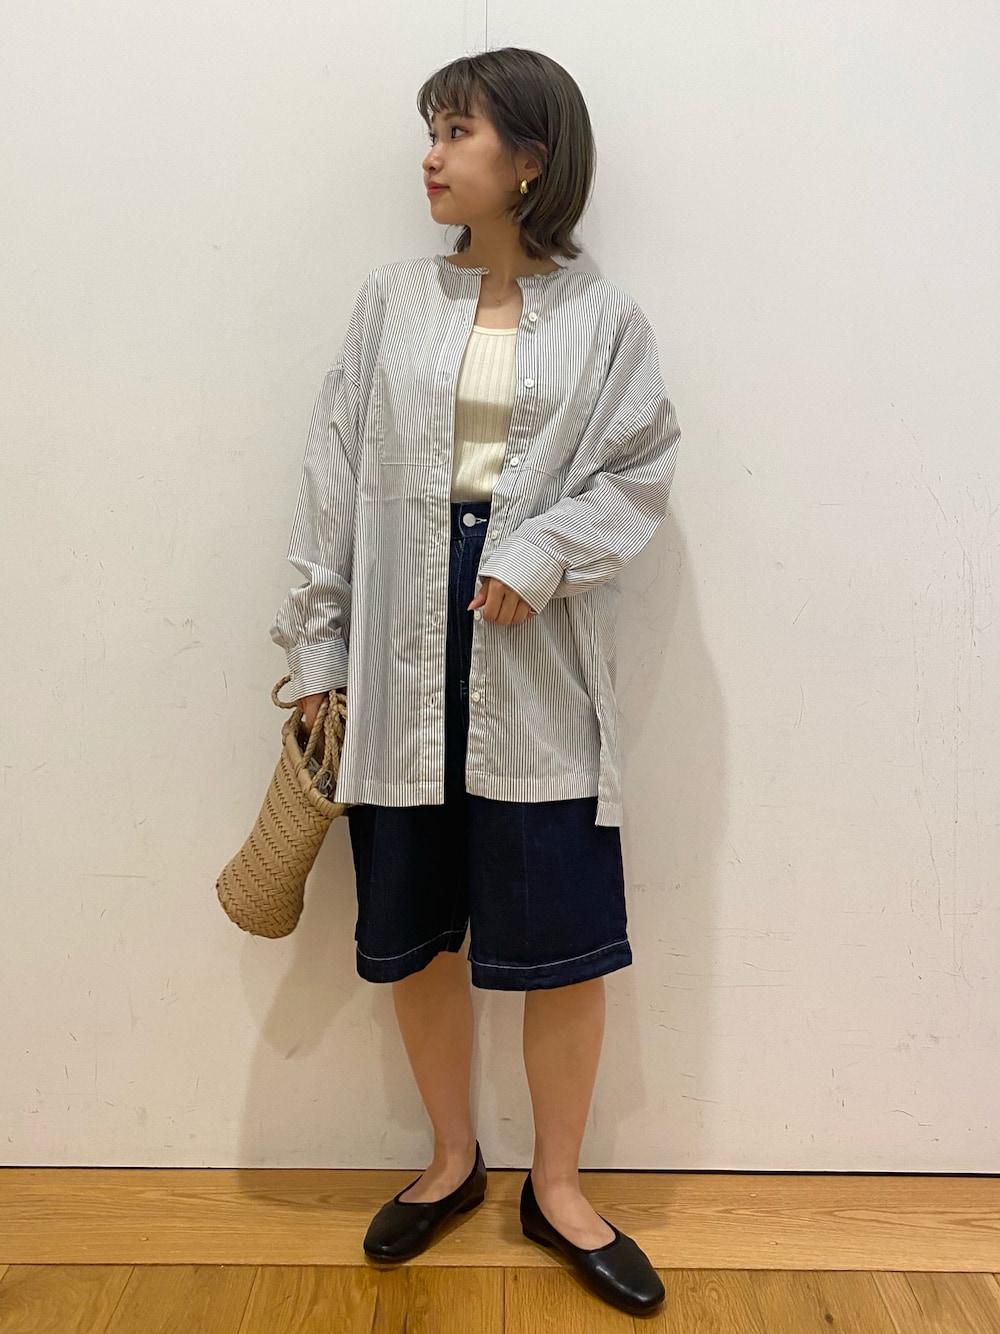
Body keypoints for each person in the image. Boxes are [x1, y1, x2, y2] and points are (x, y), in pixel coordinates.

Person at [269, 47, 680, 1317]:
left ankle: (558, 1185)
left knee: (562, 938)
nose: (432, 155)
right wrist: (318, 650)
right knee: (414, 925)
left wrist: (540, 554)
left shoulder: (605, 319)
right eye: (432, 130)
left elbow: (638, 470)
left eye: (457, 132)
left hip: (529, 646)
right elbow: (333, 474)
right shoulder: (391, 301)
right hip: (398, 641)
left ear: (531, 159)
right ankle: (451, 1158)